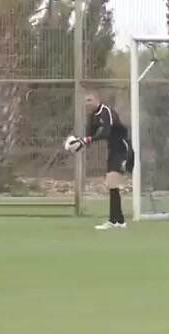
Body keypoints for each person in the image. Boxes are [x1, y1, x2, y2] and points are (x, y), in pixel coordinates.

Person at [72, 90, 133, 230]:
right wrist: (78, 143)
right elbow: (90, 135)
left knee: (112, 182)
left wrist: (86, 140)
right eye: (85, 101)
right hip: (113, 150)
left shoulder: (106, 112)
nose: (87, 103)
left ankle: (115, 221)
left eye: (89, 100)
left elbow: (106, 132)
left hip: (123, 148)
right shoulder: (92, 116)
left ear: (97, 99)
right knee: (112, 185)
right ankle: (119, 221)